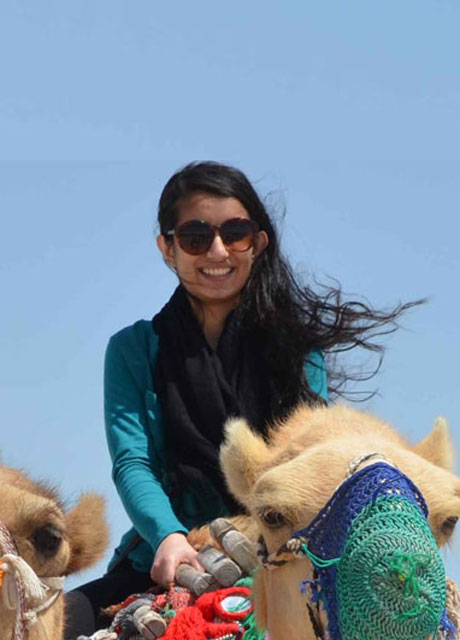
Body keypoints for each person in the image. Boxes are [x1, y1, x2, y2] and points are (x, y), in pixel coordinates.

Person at [65, 161, 418, 638]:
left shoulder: (298, 352)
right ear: (167, 248)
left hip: (276, 559)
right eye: (195, 236)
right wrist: (169, 537)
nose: (217, 251)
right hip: (165, 555)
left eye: (235, 233)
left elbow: (308, 466)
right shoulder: (132, 349)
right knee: (51, 625)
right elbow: (133, 462)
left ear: (258, 243)